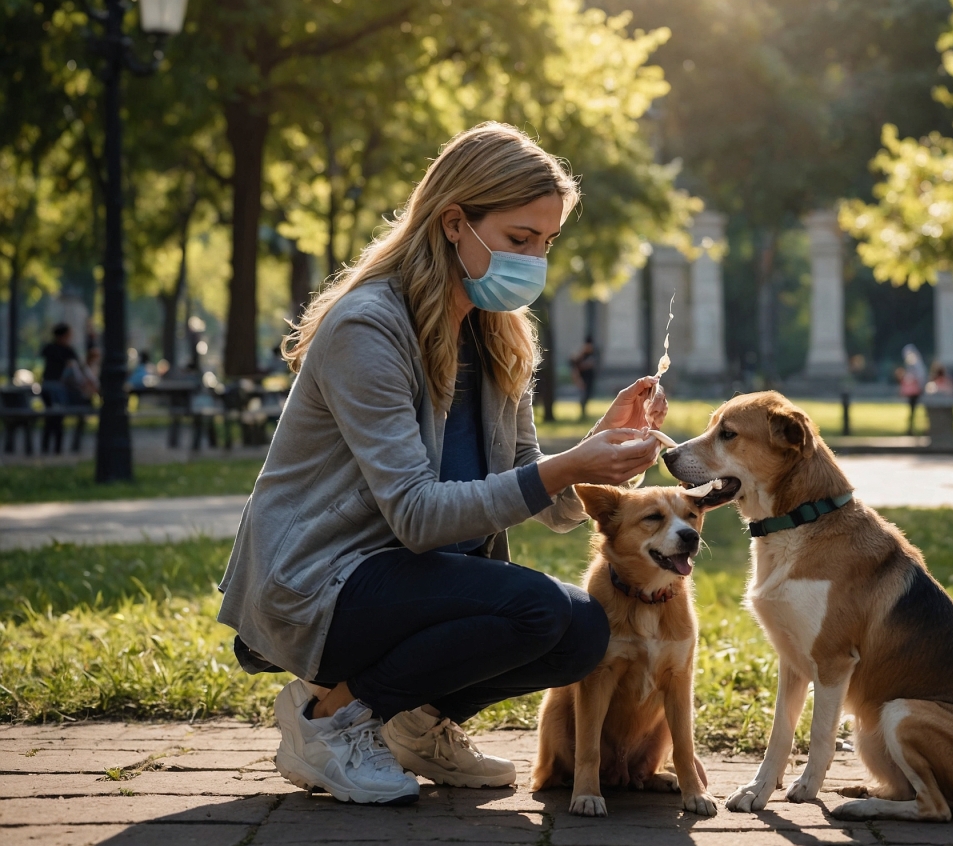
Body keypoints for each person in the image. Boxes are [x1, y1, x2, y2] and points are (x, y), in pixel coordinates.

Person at [218, 122, 667, 806]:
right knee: (538, 610)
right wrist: (566, 465)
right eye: (520, 240)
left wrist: (598, 456)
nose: (536, 261)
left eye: (547, 243)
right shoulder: (368, 327)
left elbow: (543, 500)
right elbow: (418, 516)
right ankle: (327, 720)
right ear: (455, 222)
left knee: (582, 630)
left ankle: (415, 724)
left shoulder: (501, 332)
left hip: (417, 577)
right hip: (324, 579)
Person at [39, 323, 79, 454]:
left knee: (50, 418)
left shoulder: (49, 348)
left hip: (46, 386)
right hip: (57, 387)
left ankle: (46, 447)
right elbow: (76, 368)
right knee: (57, 418)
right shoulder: (67, 350)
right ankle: (57, 449)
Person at [898, 344, 926, 436]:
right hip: (915, 391)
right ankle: (912, 429)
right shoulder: (914, 364)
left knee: (915, 410)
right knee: (913, 410)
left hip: (916, 391)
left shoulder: (914, 364)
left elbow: (918, 377)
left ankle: (917, 429)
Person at [570, 335, 598, 421]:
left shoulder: (594, 353)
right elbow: (574, 364)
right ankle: (582, 414)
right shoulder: (582, 354)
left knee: (587, 395)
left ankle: (584, 413)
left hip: (590, 378)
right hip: (582, 378)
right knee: (583, 396)